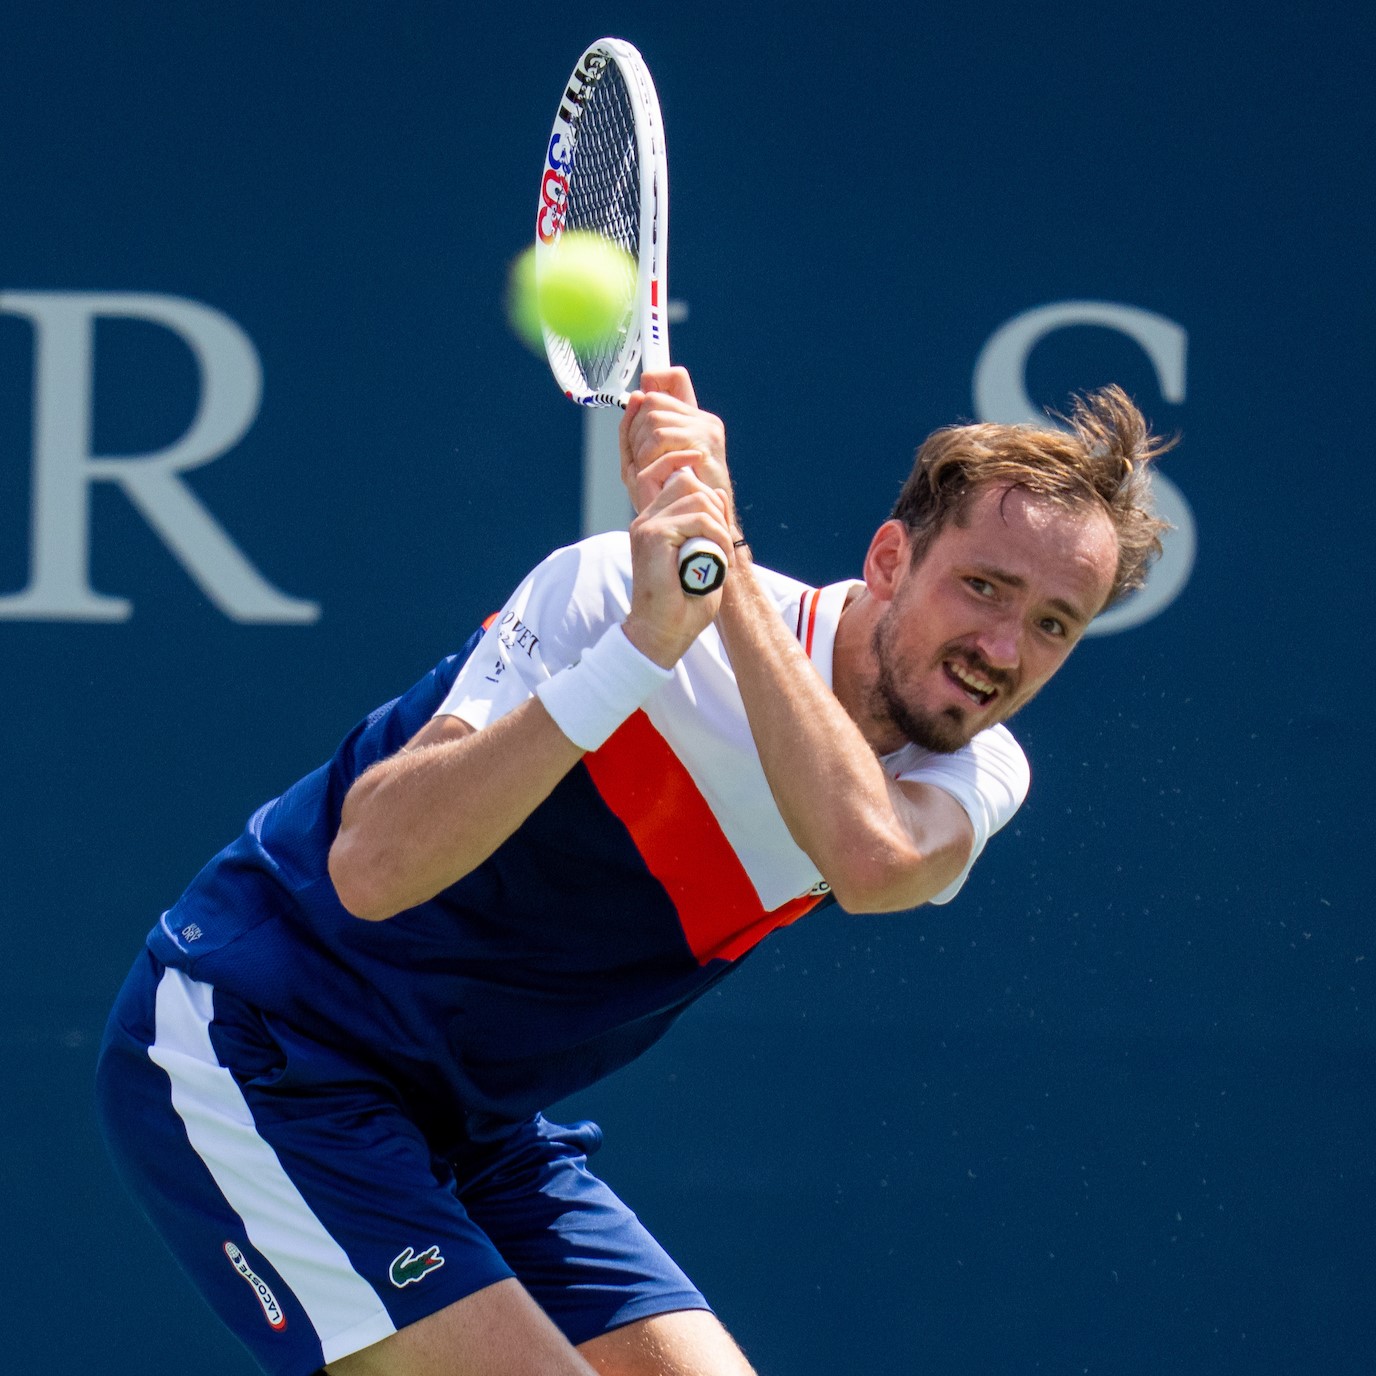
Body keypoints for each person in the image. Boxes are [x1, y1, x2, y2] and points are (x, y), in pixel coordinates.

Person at [97, 368, 1171, 1376]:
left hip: (475, 1123)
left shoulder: (976, 767)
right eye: (982, 586)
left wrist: (721, 570)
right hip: (260, 1047)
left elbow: (869, 856)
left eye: (1052, 624)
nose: (1001, 648)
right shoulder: (607, 586)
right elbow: (372, 869)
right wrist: (638, 650)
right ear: (889, 560)